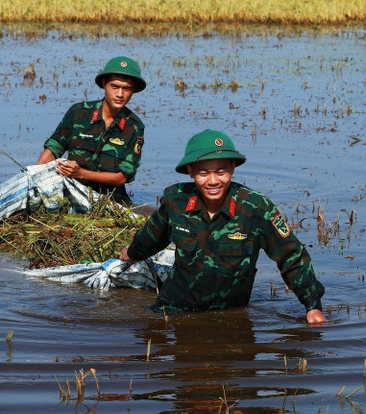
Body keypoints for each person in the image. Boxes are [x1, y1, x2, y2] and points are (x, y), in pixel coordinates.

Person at [119, 130, 327, 325]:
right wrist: (132, 254)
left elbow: (291, 256)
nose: (213, 181)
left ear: (233, 168)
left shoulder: (256, 209)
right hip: (175, 311)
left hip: (231, 316)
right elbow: (152, 237)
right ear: (190, 171)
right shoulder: (176, 202)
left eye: (221, 172)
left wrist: (312, 307)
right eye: (203, 173)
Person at [34, 56, 146, 203]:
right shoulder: (78, 113)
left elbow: (121, 178)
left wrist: (81, 174)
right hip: (72, 194)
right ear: (104, 84)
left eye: (127, 89)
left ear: (133, 90)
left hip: (111, 202)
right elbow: (53, 150)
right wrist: (34, 178)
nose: (120, 94)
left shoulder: (134, 127)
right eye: (114, 86)